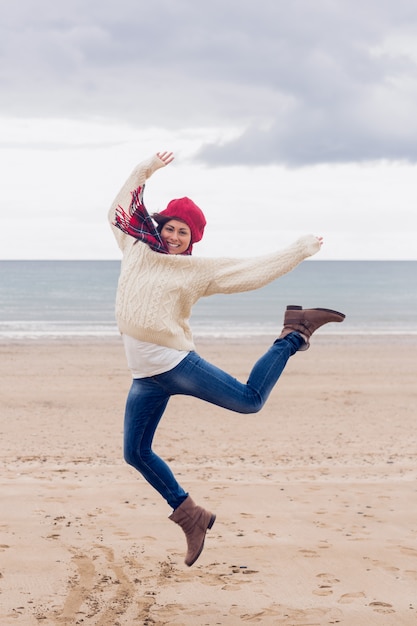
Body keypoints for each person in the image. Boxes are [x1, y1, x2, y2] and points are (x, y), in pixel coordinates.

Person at [108, 151, 345, 567]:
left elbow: (251, 271)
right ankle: (191, 516)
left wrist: (297, 251)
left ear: (192, 239)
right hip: (144, 376)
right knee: (135, 453)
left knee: (251, 400)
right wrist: (145, 169)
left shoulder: (196, 271)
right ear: (158, 227)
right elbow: (118, 209)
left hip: (175, 365)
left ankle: (293, 334)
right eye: (170, 227)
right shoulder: (135, 247)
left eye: (184, 232)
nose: (174, 236)